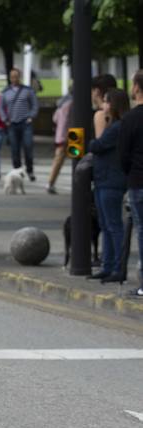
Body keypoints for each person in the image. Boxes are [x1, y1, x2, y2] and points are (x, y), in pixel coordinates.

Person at [88, 89, 130, 284]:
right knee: (106, 224)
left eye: (106, 102)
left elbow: (97, 145)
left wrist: (93, 138)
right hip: (104, 179)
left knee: (113, 225)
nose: (103, 106)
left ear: (113, 105)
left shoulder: (117, 127)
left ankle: (117, 267)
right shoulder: (114, 125)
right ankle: (108, 265)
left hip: (111, 181)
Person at [119, 69, 143, 297]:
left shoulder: (130, 119)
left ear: (136, 88)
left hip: (137, 181)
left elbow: (123, 156)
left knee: (142, 231)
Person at [0, 68, 39, 181]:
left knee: (28, 147)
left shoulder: (27, 90)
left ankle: (30, 170)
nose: (14, 79)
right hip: (12, 124)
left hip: (25, 123)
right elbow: (1, 107)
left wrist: (31, 116)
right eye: (12, 77)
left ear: (19, 77)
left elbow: (35, 104)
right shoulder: (5, 92)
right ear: (10, 78)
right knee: (14, 150)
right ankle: (18, 171)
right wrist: (5, 119)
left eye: (16, 76)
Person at [48, 90, 72, 194]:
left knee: (58, 160)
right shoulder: (72, 104)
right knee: (76, 159)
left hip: (60, 136)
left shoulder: (62, 105)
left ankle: (51, 183)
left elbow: (55, 119)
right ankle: (50, 183)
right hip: (71, 135)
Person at [91, 74, 118, 139]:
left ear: (96, 91)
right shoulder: (117, 110)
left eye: (91, 90)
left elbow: (100, 144)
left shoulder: (100, 114)